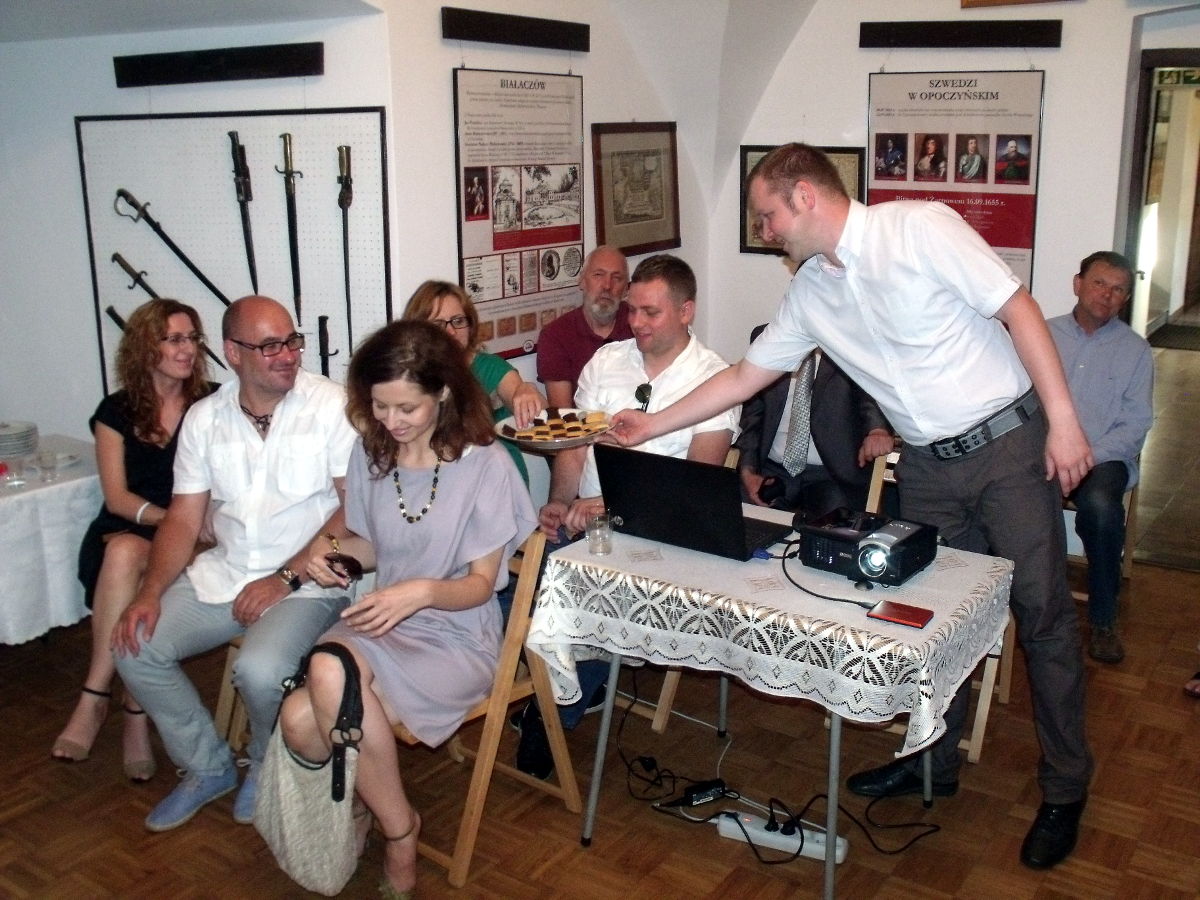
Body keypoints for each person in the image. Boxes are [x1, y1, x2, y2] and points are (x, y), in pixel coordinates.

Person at [610, 143, 1095, 871]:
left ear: (804, 196)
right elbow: (744, 377)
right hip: (925, 464)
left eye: (767, 215)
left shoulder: (919, 227)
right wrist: (651, 425)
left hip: (1006, 445)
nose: (764, 230)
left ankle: (1065, 786)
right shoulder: (812, 292)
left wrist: (1064, 421)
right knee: (931, 619)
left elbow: (1018, 308)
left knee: (1043, 612)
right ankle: (935, 762)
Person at [280, 320, 536, 899]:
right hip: (382, 621)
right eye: (379, 406)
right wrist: (336, 556)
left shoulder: (484, 463)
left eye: (406, 408)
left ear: (442, 392)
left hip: (457, 635)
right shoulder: (371, 451)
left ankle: (395, 831)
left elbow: (480, 585)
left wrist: (419, 592)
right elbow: (373, 547)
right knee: (306, 712)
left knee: (311, 707)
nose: (391, 421)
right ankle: (397, 819)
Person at [113, 295, 357, 833]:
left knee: (260, 670)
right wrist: (148, 594)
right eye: (269, 346)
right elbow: (183, 518)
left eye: (291, 341)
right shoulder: (205, 419)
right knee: (134, 645)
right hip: (227, 573)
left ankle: (267, 762)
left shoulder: (330, 405)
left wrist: (285, 577)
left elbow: (354, 511)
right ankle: (209, 766)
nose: (287, 355)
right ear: (232, 353)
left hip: (310, 582)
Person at [515, 253, 739, 778]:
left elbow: (695, 484)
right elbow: (575, 448)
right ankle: (561, 686)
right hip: (587, 520)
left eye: (650, 312)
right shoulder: (606, 361)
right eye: (632, 310)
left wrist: (610, 508)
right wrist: (560, 502)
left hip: (662, 530)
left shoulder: (714, 378)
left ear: (686, 311)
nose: (635, 322)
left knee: (579, 597)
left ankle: (556, 710)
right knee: (517, 589)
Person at [52, 299, 215, 781]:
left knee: (131, 560)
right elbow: (118, 497)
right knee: (123, 551)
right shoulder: (116, 411)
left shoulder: (213, 402)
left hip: (190, 536)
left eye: (192, 338)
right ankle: (127, 709)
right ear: (146, 347)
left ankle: (100, 699)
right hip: (132, 524)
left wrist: (189, 524)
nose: (187, 349)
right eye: (174, 339)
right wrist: (173, 519)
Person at [1048, 251, 1153, 664]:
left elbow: (1136, 424)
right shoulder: (1043, 333)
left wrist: (1085, 457)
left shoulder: (1136, 350)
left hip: (1101, 458)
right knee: (997, 494)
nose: (1107, 295)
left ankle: (1104, 620)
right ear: (1078, 284)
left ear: (1125, 299)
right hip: (1042, 450)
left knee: (1102, 511)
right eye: (1099, 283)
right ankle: (1004, 601)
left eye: (1118, 289)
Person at [737, 324, 892, 516]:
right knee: (737, 518)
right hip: (771, 470)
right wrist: (748, 471)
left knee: (835, 527)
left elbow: (869, 393)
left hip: (830, 473)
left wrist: (877, 429)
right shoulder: (768, 336)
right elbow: (752, 413)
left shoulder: (853, 341)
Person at [403, 280, 544, 485]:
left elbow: (540, 414)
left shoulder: (489, 367)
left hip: (497, 483)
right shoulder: (405, 376)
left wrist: (527, 390)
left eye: (458, 321)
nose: (451, 331)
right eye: (438, 324)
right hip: (438, 485)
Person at [536, 245, 633, 409]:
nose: (607, 285)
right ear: (582, 281)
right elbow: (563, 413)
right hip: (585, 423)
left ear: (626, 289)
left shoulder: (640, 324)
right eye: (598, 275)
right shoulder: (556, 335)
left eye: (616, 278)